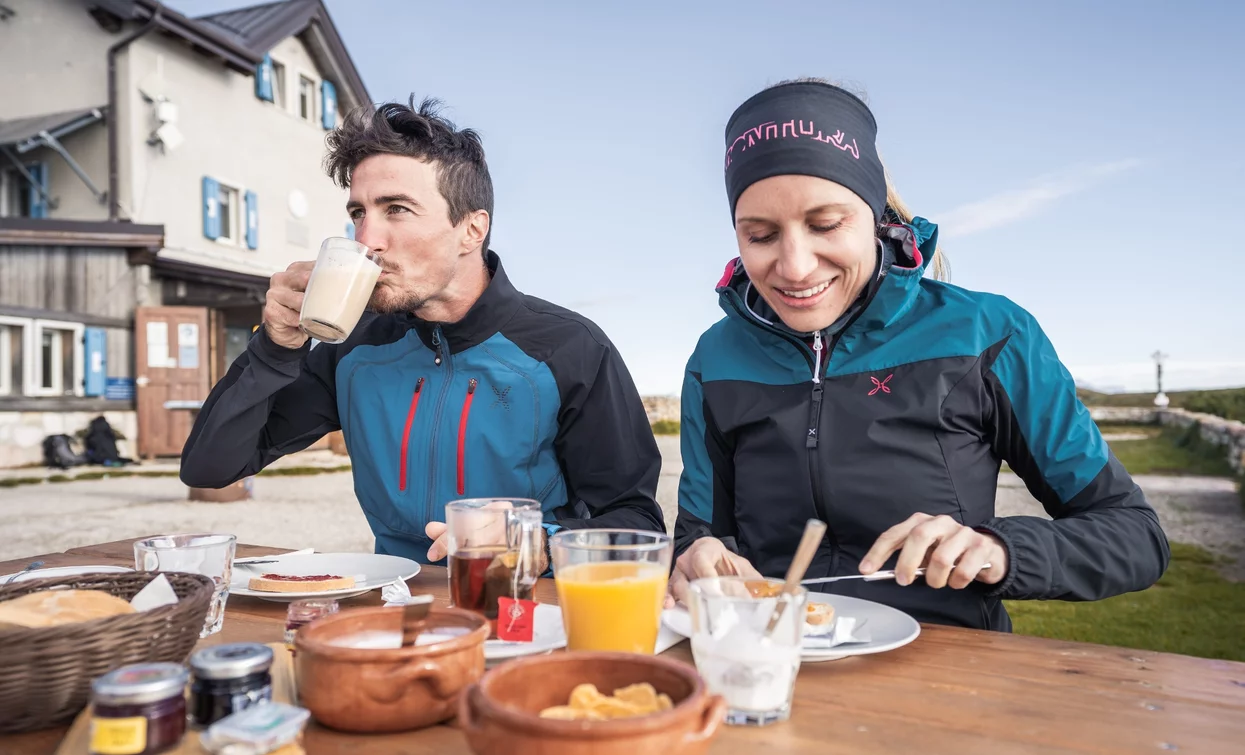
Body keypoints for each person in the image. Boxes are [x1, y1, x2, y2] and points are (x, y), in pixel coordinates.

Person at [668, 78, 1169, 630]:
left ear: (877, 215)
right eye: (760, 235)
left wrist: (998, 549)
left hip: (943, 682)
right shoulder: (715, 358)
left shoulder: (989, 333)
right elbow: (700, 540)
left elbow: (1134, 535)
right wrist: (693, 561)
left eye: (826, 225)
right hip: (767, 669)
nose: (795, 267)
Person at [181, 96, 665, 564]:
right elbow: (210, 468)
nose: (366, 240)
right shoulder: (354, 349)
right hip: (400, 609)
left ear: (471, 230)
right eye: (358, 213)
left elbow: (636, 522)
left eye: (396, 209)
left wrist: (531, 540)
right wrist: (275, 348)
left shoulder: (570, 348)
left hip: (525, 606)